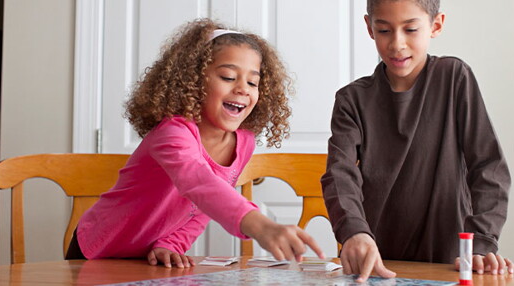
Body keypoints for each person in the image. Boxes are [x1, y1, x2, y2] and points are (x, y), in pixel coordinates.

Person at [66, 18, 325, 268]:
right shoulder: (172, 133)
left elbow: (201, 209)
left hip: (147, 260)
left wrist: (172, 244)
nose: (243, 89)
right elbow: (199, 182)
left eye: (253, 82)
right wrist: (258, 223)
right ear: (194, 82)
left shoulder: (243, 142)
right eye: (227, 77)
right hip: (97, 252)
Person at [321, 0, 514, 282]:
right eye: (384, 30)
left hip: (452, 259)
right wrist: (354, 231)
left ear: (435, 25)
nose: (397, 44)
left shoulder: (454, 78)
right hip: (379, 260)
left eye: (410, 29)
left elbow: (488, 166)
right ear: (369, 28)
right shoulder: (351, 100)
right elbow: (340, 173)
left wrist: (482, 242)